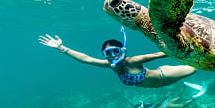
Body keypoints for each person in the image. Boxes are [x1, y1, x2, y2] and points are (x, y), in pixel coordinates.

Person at [38, 27, 196, 88]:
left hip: (164, 76)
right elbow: (86, 59)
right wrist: (61, 48)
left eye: (115, 51)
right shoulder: (110, 66)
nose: (113, 56)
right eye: (108, 53)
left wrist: (185, 46)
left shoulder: (133, 61)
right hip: (158, 81)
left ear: (123, 51)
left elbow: (159, 54)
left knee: (195, 68)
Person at [131, 81, 207, 108]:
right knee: (179, 97)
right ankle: (184, 85)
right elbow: (133, 105)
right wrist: (127, 98)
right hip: (166, 104)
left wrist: (164, 98)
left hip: (166, 106)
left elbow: (157, 104)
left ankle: (194, 98)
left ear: (142, 107)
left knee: (182, 106)